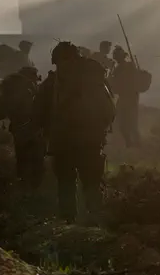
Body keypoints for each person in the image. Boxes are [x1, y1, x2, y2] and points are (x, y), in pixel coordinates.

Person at [34, 41, 115, 224]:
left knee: (66, 183)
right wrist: (99, 130)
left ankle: (68, 222)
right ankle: (94, 221)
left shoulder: (53, 82)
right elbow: (109, 110)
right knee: (91, 182)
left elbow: (37, 112)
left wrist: (45, 130)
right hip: (90, 141)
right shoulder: (94, 78)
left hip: (63, 141)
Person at [0, 65, 44, 189]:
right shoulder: (30, 88)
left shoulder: (9, 88)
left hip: (17, 128)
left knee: (22, 158)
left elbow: (0, 113)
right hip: (33, 128)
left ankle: (24, 186)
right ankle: (34, 189)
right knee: (36, 160)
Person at [109, 45, 142, 148]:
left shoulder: (126, 67)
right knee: (126, 122)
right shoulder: (125, 67)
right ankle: (132, 143)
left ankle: (135, 144)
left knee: (130, 123)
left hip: (129, 97)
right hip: (128, 97)